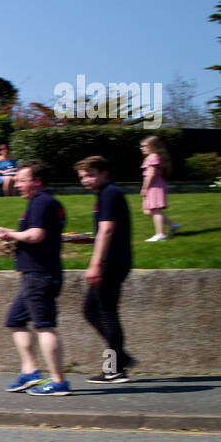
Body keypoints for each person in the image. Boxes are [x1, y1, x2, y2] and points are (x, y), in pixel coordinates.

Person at [0, 161, 71, 396]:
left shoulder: (41, 202)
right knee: (15, 320)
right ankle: (30, 372)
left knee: (45, 326)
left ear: (37, 181)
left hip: (39, 274)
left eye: (21, 180)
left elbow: (36, 235)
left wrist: (10, 234)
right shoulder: (49, 202)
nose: (17, 184)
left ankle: (59, 381)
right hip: (37, 274)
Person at [73, 156, 136, 383]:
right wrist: (85, 241)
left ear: (104, 173)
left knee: (106, 314)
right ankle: (121, 358)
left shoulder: (109, 193)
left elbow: (108, 231)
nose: (85, 180)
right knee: (92, 311)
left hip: (110, 263)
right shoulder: (105, 195)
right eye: (82, 177)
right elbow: (106, 232)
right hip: (113, 260)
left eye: (90, 175)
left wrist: (95, 264)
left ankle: (115, 368)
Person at [140, 135, 181, 241]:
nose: (142, 148)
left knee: (154, 210)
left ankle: (160, 234)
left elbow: (151, 174)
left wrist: (145, 188)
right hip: (155, 185)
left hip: (154, 186)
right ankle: (172, 225)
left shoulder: (152, 157)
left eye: (144, 146)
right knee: (148, 211)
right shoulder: (153, 157)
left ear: (152, 147)